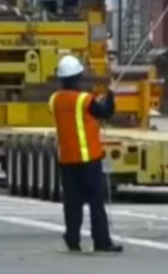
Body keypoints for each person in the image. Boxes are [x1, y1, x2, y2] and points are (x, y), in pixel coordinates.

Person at [48, 54, 123, 254]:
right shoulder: (84, 99)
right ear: (77, 78)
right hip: (88, 159)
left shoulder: (54, 100)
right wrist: (111, 94)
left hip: (66, 159)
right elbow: (105, 112)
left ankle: (72, 239)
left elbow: (77, 113)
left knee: (72, 203)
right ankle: (102, 241)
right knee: (95, 202)